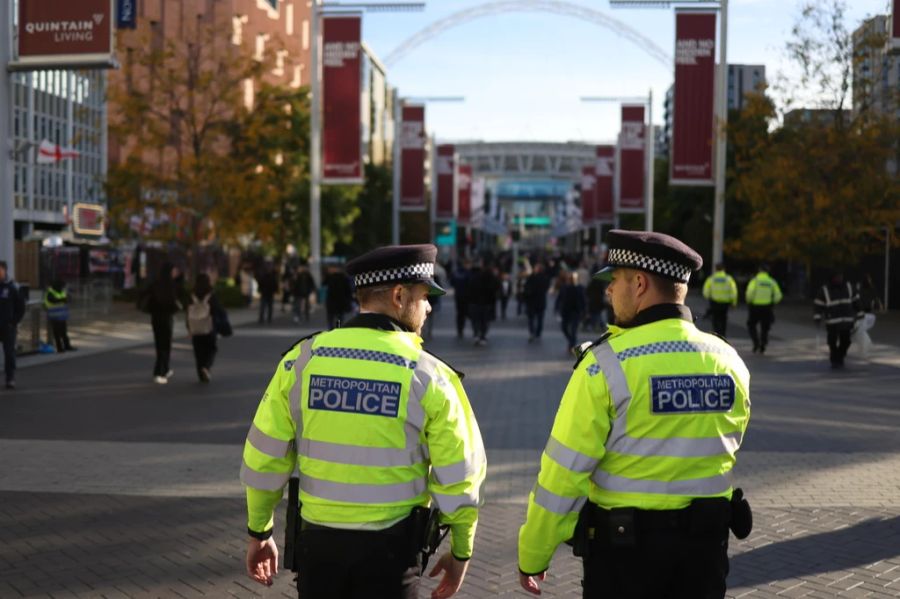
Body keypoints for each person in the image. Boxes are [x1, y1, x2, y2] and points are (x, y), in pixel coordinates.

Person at [240, 244, 486, 599]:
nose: (430, 306)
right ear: (400, 296)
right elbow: (461, 475)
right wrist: (461, 550)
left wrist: (259, 532)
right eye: (425, 296)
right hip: (391, 555)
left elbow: (264, 458)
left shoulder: (302, 360)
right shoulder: (429, 376)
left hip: (318, 549)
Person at [517, 230, 752, 599]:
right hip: (705, 553)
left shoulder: (604, 366)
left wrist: (533, 553)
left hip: (625, 558)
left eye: (615, 281)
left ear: (639, 283)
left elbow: (563, 474)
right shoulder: (729, 361)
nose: (609, 291)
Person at [141, 263, 183, 384]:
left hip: (156, 318)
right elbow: (178, 298)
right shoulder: (170, 286)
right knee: (165, 345)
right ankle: (159, 371)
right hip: (166, 318)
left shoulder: (156, 284)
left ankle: (165, 368)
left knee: (160, 345)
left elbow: (145, 295)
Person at [814, 273, 863, 369]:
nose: (839, 278)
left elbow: (856, 300)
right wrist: (817, 317)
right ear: (832, 278)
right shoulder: (825, 289)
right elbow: (818, 304)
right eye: (837, 277)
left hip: (847, 320)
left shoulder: (849, 287)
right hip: (832, 321)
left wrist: (860, 313)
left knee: (846, 341)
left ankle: (840, 356)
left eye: (840, 276)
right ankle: (834, 360)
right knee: (832, 342)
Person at [187, 273, 229, 383]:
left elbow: (188, 312)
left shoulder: (192, 294)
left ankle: (201, 372)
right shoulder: (211, 295)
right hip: (209, 327)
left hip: (195, 328)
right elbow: (217, 310)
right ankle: (206, 367)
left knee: (198, 352)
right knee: (211, 349)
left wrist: (189, 328)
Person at [745, 265, 783, 353]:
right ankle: (763, 343)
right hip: (767, 307)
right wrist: (773, 302)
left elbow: (749, 293)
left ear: (759, 270)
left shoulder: (755, 281)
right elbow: (778, 295)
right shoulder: (771, 282)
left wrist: (749, 301)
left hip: (755, 307)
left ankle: (756, 342)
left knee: (751, 325)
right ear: (767, 271)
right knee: (765, 326)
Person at [0, 261, 26, 389]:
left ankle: (10, 378)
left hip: (8, 327)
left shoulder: (13, 287)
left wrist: (13, 322)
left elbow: (21, 307)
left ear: (5, 270)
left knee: (9, 353)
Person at [702, 263, 739, 338]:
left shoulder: (711, 278)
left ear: (716, 269)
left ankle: (716, 334)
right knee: (723, 319)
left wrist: (708, 297)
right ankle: (723, 335)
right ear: (724, 269)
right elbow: (733, 291)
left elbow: (705, 291)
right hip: (725, 303)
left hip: (714, 302)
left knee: (715, 319)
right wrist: (733, 302)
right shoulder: (729, 279)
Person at [468, 261, 499, 346]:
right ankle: (483, 336)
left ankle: (476, 335)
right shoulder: (491, 277)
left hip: (475, 302)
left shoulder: (474, 277)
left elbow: (469, 289)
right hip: (487, 303)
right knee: (485, 321)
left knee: (476, 320)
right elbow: (496, 288)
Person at [555, 271, 586, 354]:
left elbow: (583, 300)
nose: (572, 280)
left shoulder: (580, 288)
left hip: (576, 311)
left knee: (573, 330)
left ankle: (572, 345)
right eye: (571, 278)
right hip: (566, 311)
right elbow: (559, 298)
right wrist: (556, 308)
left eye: (574, 278)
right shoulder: (564, 287)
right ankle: (571, 341)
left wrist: (584, 311)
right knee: (564, 328)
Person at [44, 279, 76, 353]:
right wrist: (63, 300)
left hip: (62, 316)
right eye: (62, 286)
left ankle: (67, 346)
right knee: (57, 333)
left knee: (64, 332)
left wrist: (67, 299)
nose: (63, 287)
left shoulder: (62, 291)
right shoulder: (50, 292)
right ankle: (59, 348)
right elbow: (52, 300)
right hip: (54, 316)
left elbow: (68, 298)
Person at [523, 263, 551, 342]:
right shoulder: (545, 278)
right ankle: (538, 333)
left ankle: (532, 332)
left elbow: (526, 287)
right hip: (541, 301)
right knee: (540, 319)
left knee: (531, 319)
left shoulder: (532, 277)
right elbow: (546, 288)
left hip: (532, 301)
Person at [323, 265, 353, 329]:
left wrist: (349, 298)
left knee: (337, 316)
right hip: (335, 300)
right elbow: (324, 283)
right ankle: (334, 328)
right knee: (334, 316)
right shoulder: (331, 277)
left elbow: (348, 289)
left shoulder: (343, 277)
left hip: (338, 300)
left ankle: (335, 328)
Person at [450, 260, 471, 338]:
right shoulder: (468, 273)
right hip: (466, 297)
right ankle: (476, 331)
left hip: (458, 296)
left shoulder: (456, 273)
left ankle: (460, 330)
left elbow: (452, 282)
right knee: (466, 313)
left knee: (459, 314)